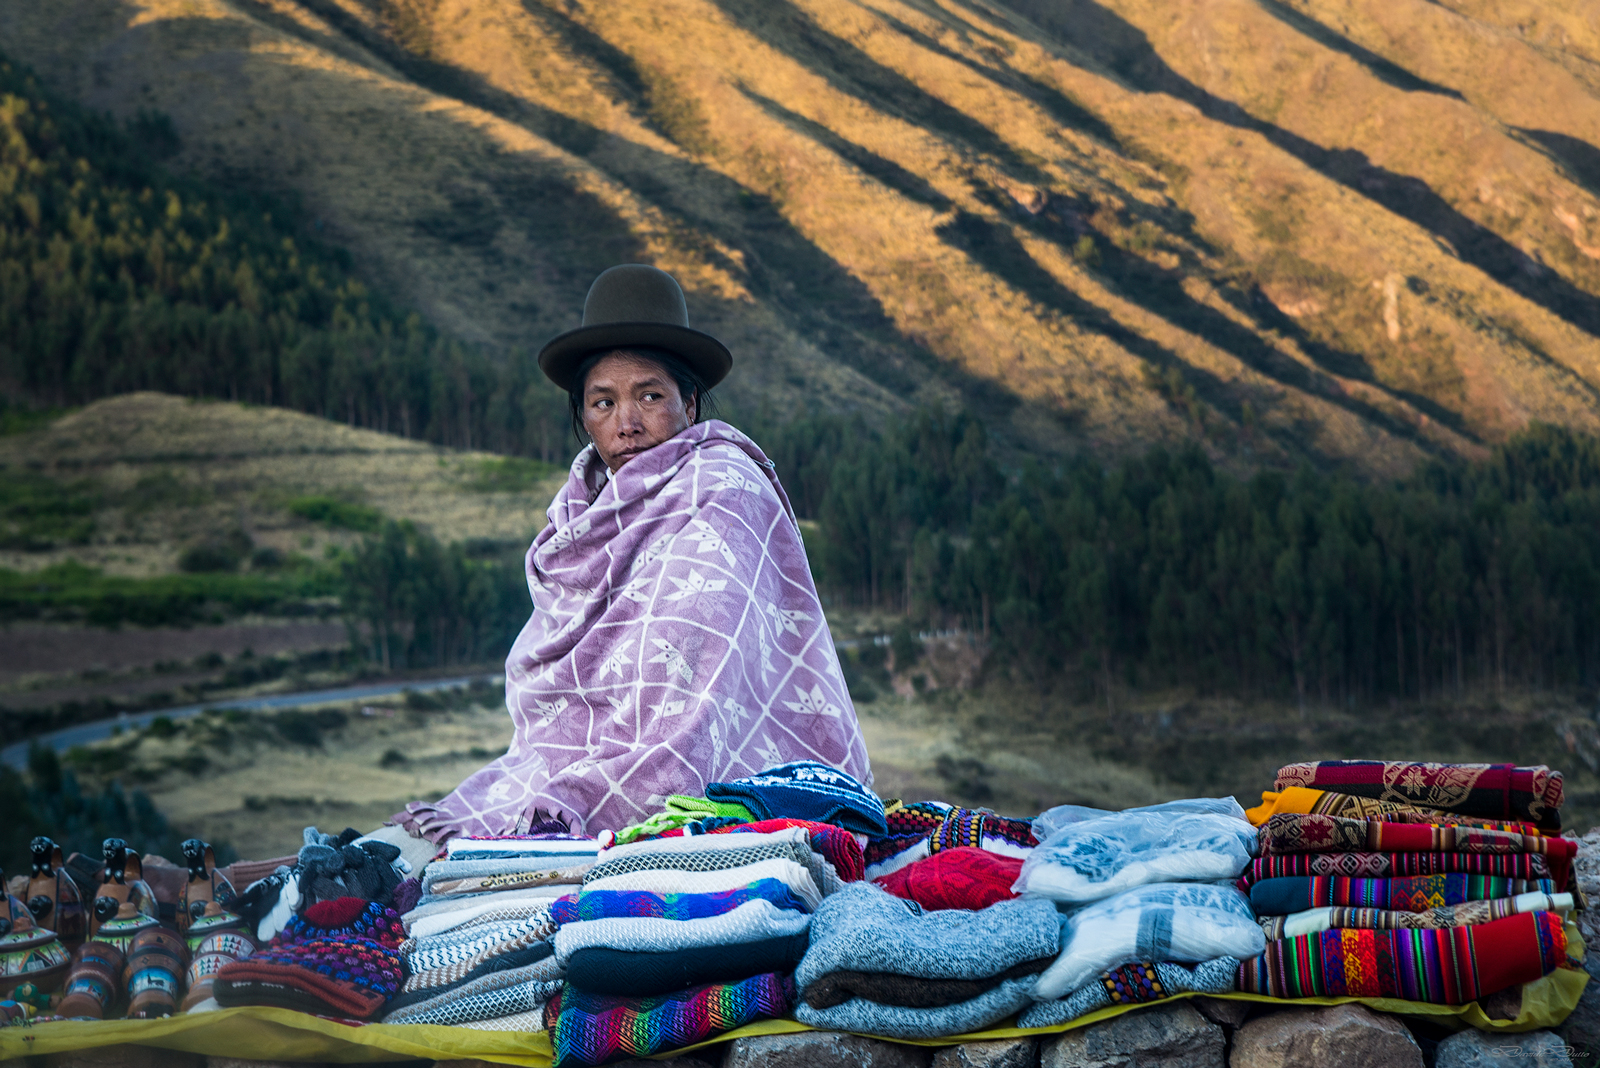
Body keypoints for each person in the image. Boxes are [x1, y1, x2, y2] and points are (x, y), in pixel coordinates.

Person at [390, 264, 873, 842]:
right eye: (602, 403)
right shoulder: (575, 514)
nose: (627, 424)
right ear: (584, 416)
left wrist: (621, 781)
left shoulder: (723, 484)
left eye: (649, 396)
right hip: (572, 763)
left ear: (689, 404)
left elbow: (700, 665)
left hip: (719, 771)